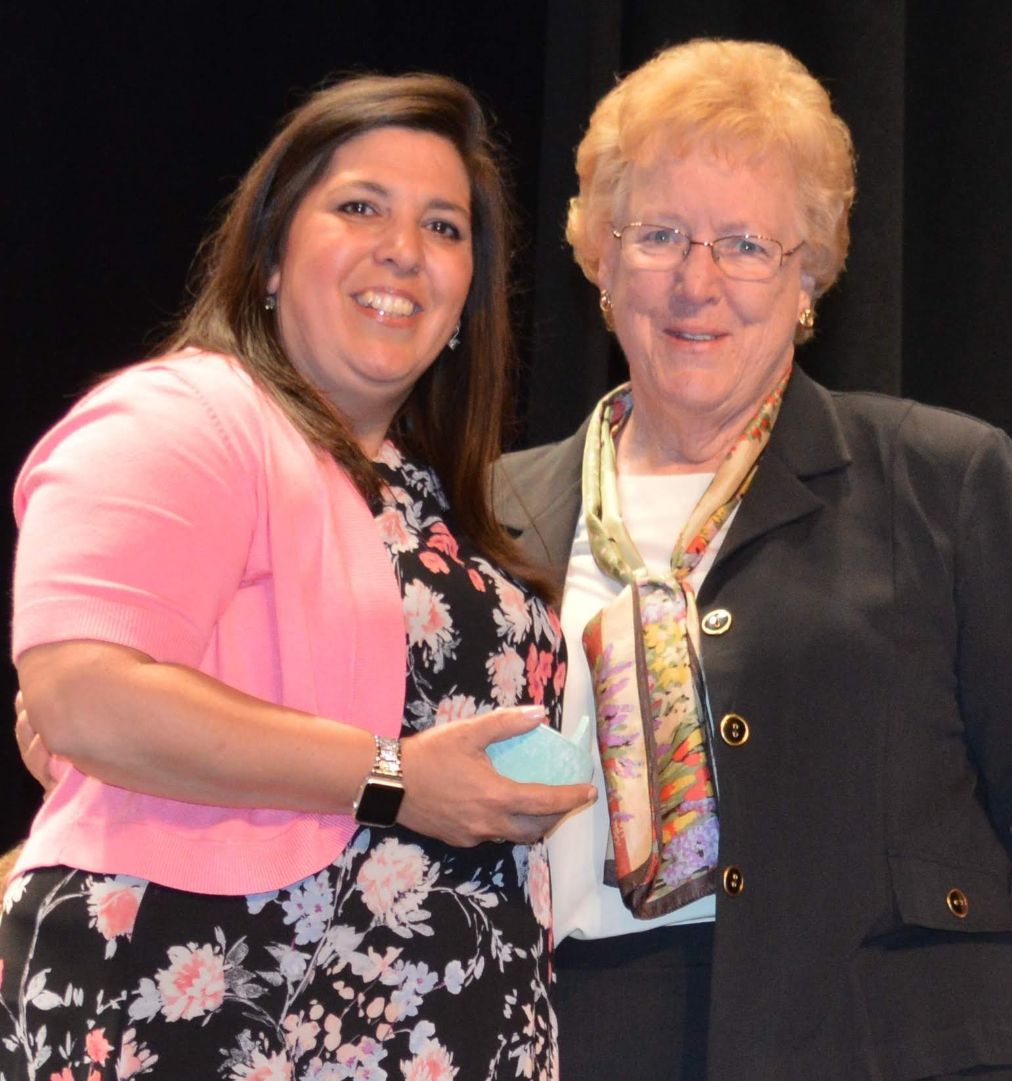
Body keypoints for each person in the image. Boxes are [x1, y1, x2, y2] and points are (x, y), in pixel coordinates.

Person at [0, 72, 595, 1080]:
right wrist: (393, 778)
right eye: (360, 207)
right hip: (213, 1013)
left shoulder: (437, 498)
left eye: (443, 226)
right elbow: (84, 696)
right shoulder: (184, 416)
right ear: (271, 256)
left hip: (432, 1031)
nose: (403, 248)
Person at [493, 38, 1012, 1080]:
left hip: (882, 1046)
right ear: (600, 258)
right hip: (573, 1038)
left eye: (744, 244)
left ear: (808, 274)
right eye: (659, 235)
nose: (697, 282)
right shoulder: (491, 512)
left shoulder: (944, 478)